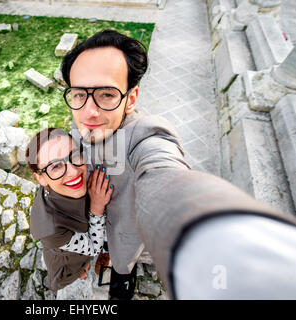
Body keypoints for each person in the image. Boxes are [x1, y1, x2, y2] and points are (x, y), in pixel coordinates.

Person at [61, 29, 296, 299]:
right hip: (94, 218)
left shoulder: (146, 136)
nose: (89, 111)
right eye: (79, 94)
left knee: (123, 263)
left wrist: (209, 232)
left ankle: (123, 280)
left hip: (127, 230)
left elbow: (166, 175)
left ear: (131, 100)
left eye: (107, 94)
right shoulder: (81, 121)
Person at [26, 127, 114, 294]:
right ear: (40, 178)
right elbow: (94, 247)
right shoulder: (49, 230)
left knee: (83, 258)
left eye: (74, 155)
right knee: (74, 270)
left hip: (76, 246)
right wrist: (96, 207)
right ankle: (77, 271)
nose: (74, 171)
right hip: (65, 260)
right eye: (55, 166)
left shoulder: (55, 181)